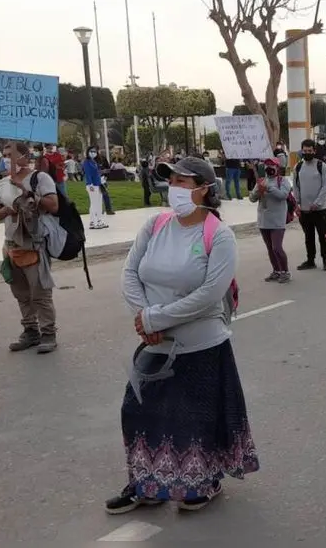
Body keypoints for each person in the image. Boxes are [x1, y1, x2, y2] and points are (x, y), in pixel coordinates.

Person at [109, 156, 259, 514]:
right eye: (172, 180)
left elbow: (209, 294)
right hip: (155, 341)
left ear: (204, 190)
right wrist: (144, 317)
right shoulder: (155, 224)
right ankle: (147, 483)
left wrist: (156, 318)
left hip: (201, 346)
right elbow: (130, 273)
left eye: (183, 182)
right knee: (137, 411)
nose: (174, 187)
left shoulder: (218, 234)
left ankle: (201, 482)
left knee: (194, 419)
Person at [0, 141, 61, 354]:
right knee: (21, 293)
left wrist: (29, 192)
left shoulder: (40, 179)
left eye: (10, 155)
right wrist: (6, 211)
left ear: (23, 156)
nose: (5, 158)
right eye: (3, 155)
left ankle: (48, 333)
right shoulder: (2, 184)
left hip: (35, 245)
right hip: (11, 247)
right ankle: (31, 331)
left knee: (40, 293)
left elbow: (53, 205)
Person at [293, 138, 326, 271]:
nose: (307, 153)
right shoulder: (298, 167)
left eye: (309, 151)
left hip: (319, 209)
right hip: (304, 209)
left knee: (323, 235)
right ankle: (310, 260)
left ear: (314, 151)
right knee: (308, 236)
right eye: (304, 151)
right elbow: (296, 186)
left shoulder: (321, 166)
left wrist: (317, 203)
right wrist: (297, 204)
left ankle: (325, 260)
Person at [250, 157, 292, 283]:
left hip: (277, 220)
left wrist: (268, 188)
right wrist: (258, 189)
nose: (269, 168)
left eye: (272, 165)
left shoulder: (283, 181)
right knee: (270, 248)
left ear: (277, 167)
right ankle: (276, 270)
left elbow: (283, 195)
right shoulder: (261, 181)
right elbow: (252, 198)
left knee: (277, 247)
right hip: (264, 219)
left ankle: (285, 271)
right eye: (267, 165)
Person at [84, 146, 109, 230]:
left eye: (94, 151)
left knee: (97, 203)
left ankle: (96, 221)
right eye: (91, 151)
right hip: (92, 185)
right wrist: (90, 184)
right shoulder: (87, 162)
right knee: (94, 204)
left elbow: (96, 172)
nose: (93, 153)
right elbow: (88, 174)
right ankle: (95, 222)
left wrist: (102, 174)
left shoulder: (94, 161)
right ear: (88, 152)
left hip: (98, 184)